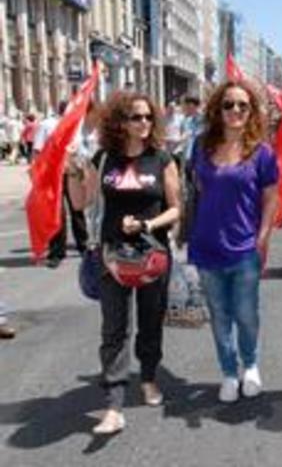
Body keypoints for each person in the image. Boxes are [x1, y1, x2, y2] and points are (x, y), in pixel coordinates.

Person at [70, 91, 180, 434]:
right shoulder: (104, 158)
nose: (144, 123)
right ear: (121, 122)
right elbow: (81, 202)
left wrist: (147, 225)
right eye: (136, 117)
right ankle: (114, 403)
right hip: (111, 257)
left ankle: (148, 378)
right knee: (114, 329)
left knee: (150, 323)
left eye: (148, 117)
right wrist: (73, 174)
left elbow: (176, 208)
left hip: (152, 257)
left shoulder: (162, 159)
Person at [187, 80, 279, 403]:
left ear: (251, 110)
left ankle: (250, 365)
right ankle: (228, 372)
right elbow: (197, 190)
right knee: (219, 315)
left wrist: (263, 235)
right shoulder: (201, 146)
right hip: (206, 244)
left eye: (243, 105)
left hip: (245, 248)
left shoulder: (262, 152)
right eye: (229, 105)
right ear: (218, 110)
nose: (236, 110)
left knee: (246, 313)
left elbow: (271, 198)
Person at [33, 101, 90, 267]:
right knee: (57, 214)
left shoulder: (76, 125)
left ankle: (83, 245)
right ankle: (57, 251)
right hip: (52, 175)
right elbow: (37, 150)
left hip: (72, 171)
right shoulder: (47, 125)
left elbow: (80, 149)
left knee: (77, 210)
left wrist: (83, 168)